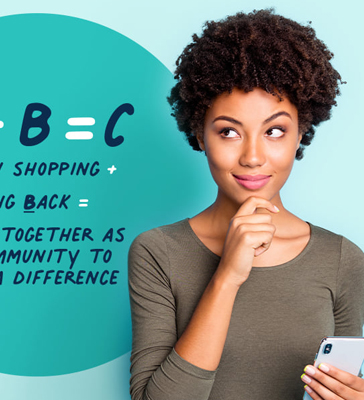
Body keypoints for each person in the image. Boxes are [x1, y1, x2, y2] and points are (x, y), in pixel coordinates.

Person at [128, 9, 364, 400]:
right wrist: (227, 276)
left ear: (301, 133)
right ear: (200, 135)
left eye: (275, 131)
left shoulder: (342, 259)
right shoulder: (157, 252)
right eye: (228, 132)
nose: (253, 157)